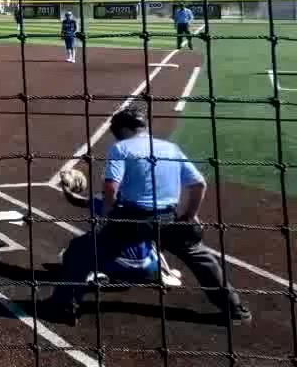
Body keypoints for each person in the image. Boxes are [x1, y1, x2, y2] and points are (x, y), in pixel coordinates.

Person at [43, 107, 251, 326]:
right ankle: (235, 310)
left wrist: (108, 214)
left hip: (131, 219)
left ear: (123, 129)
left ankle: (64, 307)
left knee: (79, 251)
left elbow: (111, 186)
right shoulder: (171, 148)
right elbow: (199, 183)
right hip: (168, 218)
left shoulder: (121, 148)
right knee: (202, 259)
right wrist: (189, 215)